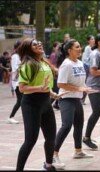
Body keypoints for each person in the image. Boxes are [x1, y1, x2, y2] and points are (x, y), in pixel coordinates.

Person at [16, 38, 60, 171]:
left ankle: (48, 165)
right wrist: (39, 88)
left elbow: (45, 85)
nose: (39, 44)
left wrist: (52, 93)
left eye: (40, 43)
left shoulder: (44, 62)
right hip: (31, 104)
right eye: (35, 44)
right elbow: (22, 88)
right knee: (30, 140)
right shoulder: (28, 65)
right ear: (29, 49)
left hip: (45, 102)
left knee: (51, 137)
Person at [53, 39, 96, 169]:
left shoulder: (80, 63)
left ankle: (78, 151)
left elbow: (80, 82)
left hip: (76, 99)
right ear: (69, 50)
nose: (79, 49)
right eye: (77, 47)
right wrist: (79, 89)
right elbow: (60, 84)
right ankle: (53, 155)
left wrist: (86, 88)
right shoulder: (66, 64)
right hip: (66, 99)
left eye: (79, 46)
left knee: (78, 125)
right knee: (66, 126)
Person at [7, 40, 22, 124]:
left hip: (20, 81)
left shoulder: (19, 56)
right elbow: (15, 68)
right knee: (20, 100)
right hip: (17, 82)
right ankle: (11, 117)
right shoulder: (15, 56)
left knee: (22, 100)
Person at [81, 35, 95, 105]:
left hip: (89, 67)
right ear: (88, 41)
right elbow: (86, 59)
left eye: (93, 39)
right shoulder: (88, 48)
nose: (93, 40)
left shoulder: (92, 48)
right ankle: (82, 99)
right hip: (86, 67)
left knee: (89, 83)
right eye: (92, 39)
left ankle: (83, 99)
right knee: (86, 83)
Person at [49, 41, 60, 110]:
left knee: (58, 90)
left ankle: (56, 104)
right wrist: (56, 71)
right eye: (57, 47)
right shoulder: (53, 55)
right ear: (54, 48)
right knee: (56, 91)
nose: (58, 49)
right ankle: (48, 105)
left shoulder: (58, 55)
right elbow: (51, 65)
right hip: (54, 75)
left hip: (57, 75)